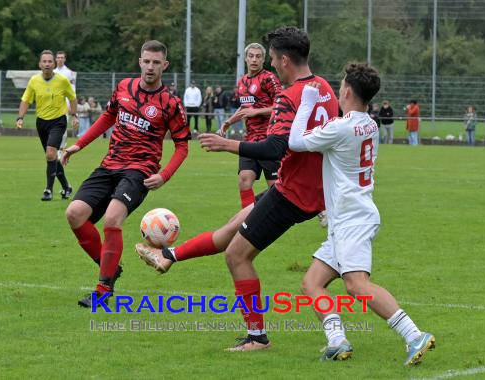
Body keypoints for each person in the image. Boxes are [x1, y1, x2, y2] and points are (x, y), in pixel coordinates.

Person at [137, 27, 339, 351]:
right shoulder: (325, 88)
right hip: (310, 188)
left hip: (294, 194)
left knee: (237, 256)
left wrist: (226, 144)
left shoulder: (291, 96)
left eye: (272, 59)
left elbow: (275, 147)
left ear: (285, 60)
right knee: (233, 226)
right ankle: (167, 255)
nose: (271, 65)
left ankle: (257, 337)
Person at [289, 63, 435, 366]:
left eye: (341, 84)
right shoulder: (369, 123)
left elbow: (295, 142)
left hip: (351, 219)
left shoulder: (342, 127)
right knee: (312, 283)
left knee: (356, 285)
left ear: (346, 91)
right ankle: (337, 342)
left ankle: (414, 335)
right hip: (350, 216)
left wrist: (306, 102)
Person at [61, 40, 190, 307]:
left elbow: (182, 147)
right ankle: (109, 266)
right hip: (110, 164)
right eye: (146, 61)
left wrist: (164, 175)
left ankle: (103, 289)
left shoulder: (171, 103)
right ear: (139, 61)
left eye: (156, 62)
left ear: (164, 65)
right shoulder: (123, 88)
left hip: (139, 170)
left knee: (112, 218)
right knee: (74, 214)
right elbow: (108, 117)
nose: (150, 67)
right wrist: (78, 144)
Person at [218, 42, 283, 208]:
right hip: (250, 139)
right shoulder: (242, 82)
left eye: (258, 56)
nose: (254, 59)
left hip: (268, 140)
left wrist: (257, 112)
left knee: (275, 188)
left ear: (263, 60)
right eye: (251, 56)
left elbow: (282, 106)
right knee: (244, 181)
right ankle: (246, 219)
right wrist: (228, 122)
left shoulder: (269, 78)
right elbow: (244, 107)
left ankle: (261, 215)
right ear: (246, 58)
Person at [16, 50, 77, 201]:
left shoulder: (62, 80)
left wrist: (74, 116)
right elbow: (26, 100)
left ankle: (48, 190)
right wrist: (20, 117)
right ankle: (66, 187)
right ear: (40, 64)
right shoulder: (34, 81)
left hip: (58, 121)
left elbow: (73, 98)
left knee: (50, 154)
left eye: (50, 61)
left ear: (54, 64)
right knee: (52, 158)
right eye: (44, 61)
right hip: (41, 122)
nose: (47, 64)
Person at [54, 51, 77, 154]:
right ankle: (55, 147)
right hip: (53, 105)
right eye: (58, 57)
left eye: (62, 57)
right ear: (55, 59)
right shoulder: (52, 72)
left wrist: (70, 105)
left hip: (64, 105)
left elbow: (72, 91)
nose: (60, 59)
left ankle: (62, 148)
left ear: (65, 59)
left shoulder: (69, 73)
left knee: (62, 128)